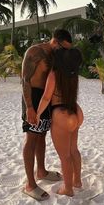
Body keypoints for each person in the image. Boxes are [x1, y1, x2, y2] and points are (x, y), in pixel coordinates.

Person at [21, 29, 72, 201]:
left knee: (41, 135)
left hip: (46, 98)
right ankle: (30, 184)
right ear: (55, 42)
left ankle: (41, 171)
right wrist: (29, 107)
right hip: (33, 98)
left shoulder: (56, 57)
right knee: (31, 138)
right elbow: (25, 80)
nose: (65, 52)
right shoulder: (35, 52)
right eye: (63, 48)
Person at [36, 47, 84, 197]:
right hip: (76, 112)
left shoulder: (54, 74)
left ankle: (68, 189)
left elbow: (46, 98)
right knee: (74, 150)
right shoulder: (73, 74)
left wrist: (37, 114)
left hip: (61, 114)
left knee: (65, 156)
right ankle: (77, 181)